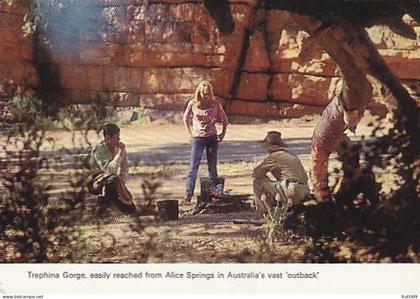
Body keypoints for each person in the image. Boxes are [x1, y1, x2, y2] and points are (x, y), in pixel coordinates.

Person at [183, 80, 228, 202]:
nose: (206, 96)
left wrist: (223, 133)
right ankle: (188, 194)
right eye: (204, 94)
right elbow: (185, 118)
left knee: (212, 166)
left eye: (208, 93)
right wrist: (190, 133)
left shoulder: (215, 104)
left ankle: (215, 194)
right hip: (198, 138)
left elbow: (224, 118)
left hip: (212, 137)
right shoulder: (193, 104)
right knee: (193, 167)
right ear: (199, 93)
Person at [253, 131, 310, 217]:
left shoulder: (274, 156)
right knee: (274, 184)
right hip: (305, 190)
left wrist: (264, 175)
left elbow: (256, 173)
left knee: (258, 182)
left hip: (292, 190)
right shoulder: (291, 155)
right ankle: (280, 208)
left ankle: (263, 214)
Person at [88, 123, 134, 212]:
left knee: (131, 210)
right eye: (116, 137)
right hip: (96, 182)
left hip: (113, 181)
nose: (119, 139)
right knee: (112, 179)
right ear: (108, 138)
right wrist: (118, 154)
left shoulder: (118, 147)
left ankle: (109, 202)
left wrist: (122, 184)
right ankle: (103, 202)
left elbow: (124, 168)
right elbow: (109, 170)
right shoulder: (99, 150)